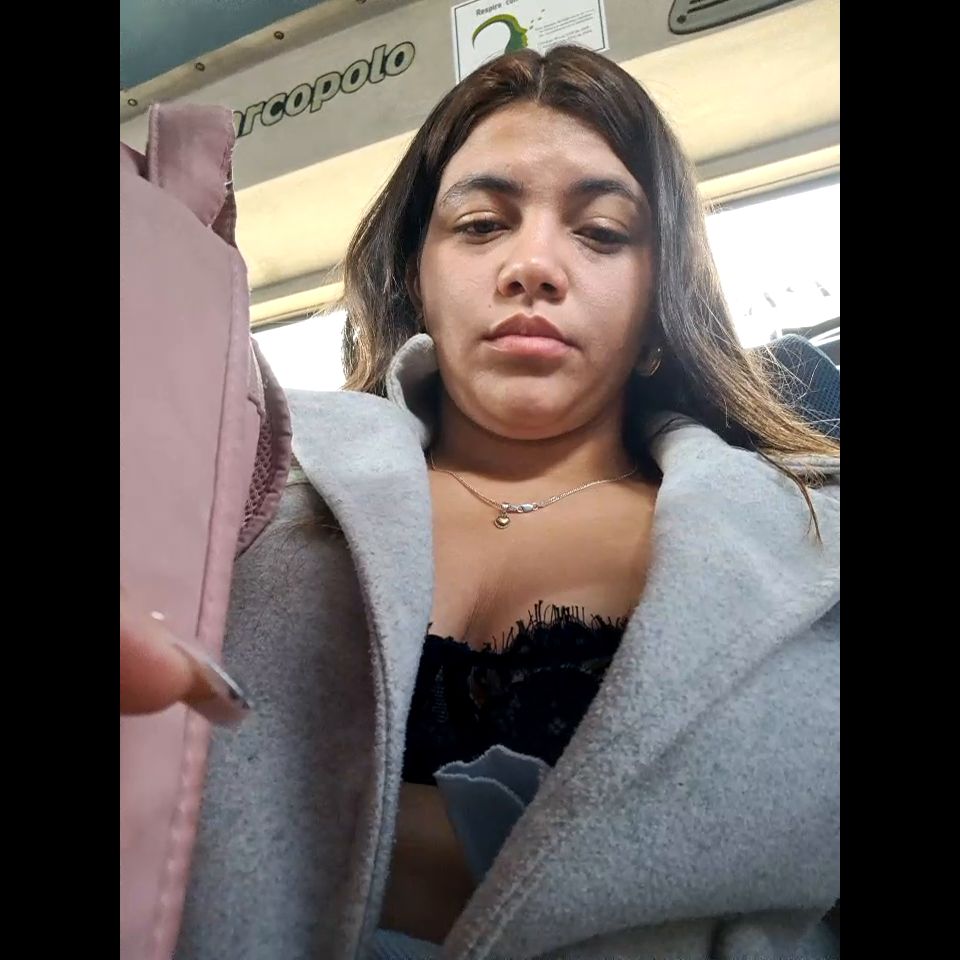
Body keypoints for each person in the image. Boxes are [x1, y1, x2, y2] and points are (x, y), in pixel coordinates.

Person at [121, 45, 840, 959]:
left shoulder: (814, 538)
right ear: (414, 274)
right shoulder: (249, 489)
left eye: (602, 232)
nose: (533, 265)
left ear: (662, 296)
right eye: (481, 224)